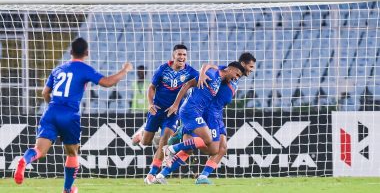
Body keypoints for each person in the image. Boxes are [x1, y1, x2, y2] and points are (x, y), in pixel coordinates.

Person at [13, 37, 133, 193]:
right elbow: (107, 83)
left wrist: (52, 106)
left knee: (39, 151)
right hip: (69, 115)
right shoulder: (84, 68)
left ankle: (24, 160)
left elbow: (45, 92)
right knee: (72, 152)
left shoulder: (58, 69)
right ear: (87, 53)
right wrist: (125, 70)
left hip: (51, 112)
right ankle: (68, 189)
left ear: (70, 52)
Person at [157, 53, 256, 184]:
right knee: (205, 148)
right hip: (208, 114)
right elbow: (209, 67)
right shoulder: (224, 72)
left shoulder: (233, 78)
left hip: (217, 115)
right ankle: (174, 147)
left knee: (222, 148)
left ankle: (201, 176)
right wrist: (203, 72)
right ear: (242, 64)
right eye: (251, 66)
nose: (252, 70)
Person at [139, 44, 199, 184]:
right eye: (179, 54)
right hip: (157, 110)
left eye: (184, 55)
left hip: (173, 113)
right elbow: (151, 87)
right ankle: (140, 136)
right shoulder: (162, 69)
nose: (182, 57)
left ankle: (152, 174)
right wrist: (150, 103)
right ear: (173, 56)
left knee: (164, 140)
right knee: (146, 142)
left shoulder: (190, 71)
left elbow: (203, 77)